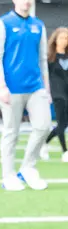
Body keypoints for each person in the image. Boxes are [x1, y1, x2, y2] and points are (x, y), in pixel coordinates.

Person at [0, 0, 51, 191]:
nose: (26, 1)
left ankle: (28, 168)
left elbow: (43, 59)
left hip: (36, 87)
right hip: (11, 88)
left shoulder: (38, 25)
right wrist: (1, 87)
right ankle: (8, 175)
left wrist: (47, 88)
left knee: (44, 126)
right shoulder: (3, 23)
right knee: (11, 132)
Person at [46, 27, 68, 160]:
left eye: (66, 38)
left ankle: (44, 142)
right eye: (61, 38)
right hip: (58, 94)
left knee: (64, 124)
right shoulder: (50, 58)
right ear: (55, 40)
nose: (64, 41)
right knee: (61, 122)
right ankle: (65, 151)